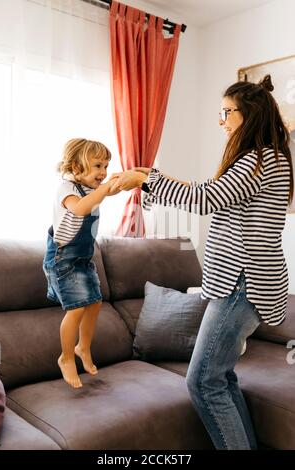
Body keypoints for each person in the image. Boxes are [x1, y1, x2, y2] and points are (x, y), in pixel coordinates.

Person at [109, 75, 294, 449]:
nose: (222, 120)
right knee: (220, 378)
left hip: (243, 283)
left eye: (227, 112)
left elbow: (205, 199)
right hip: (246, 280)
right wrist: (149, 175)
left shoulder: (259, 159)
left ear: (250, 114)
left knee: (201, 381)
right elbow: (209, 193)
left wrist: (146, 182)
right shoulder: (266, 157)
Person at [43, 138, 120, 388]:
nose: (103, 172)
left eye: (106, 166)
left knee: (95, 302)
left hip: (84, 258)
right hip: (62, 258)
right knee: (76, 308)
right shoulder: (67, 189)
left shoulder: (90, 189)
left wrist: (124, 180)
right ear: (76, 167)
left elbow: (105, 191)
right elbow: (78, 210)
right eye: (98, 165)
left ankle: (82, 347)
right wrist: (105, 189)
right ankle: (65, 358)